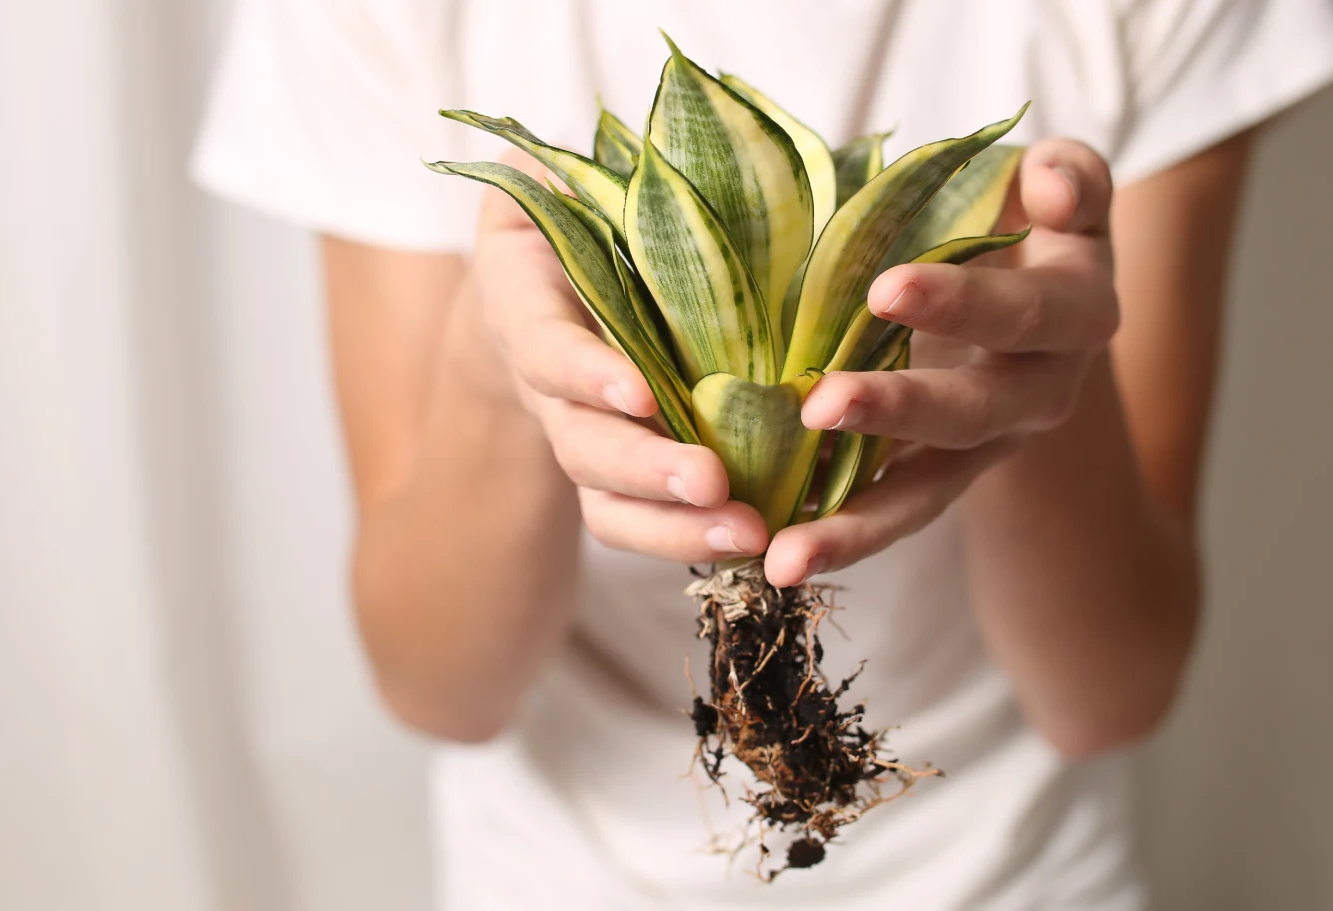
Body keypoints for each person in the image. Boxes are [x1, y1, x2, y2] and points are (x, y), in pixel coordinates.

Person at [194, 1, 1333, 907]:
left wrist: (1037, 377)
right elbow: (434, 683)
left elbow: (1113, 693)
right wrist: (503, 377)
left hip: (1013, 872)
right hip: (553, 875)